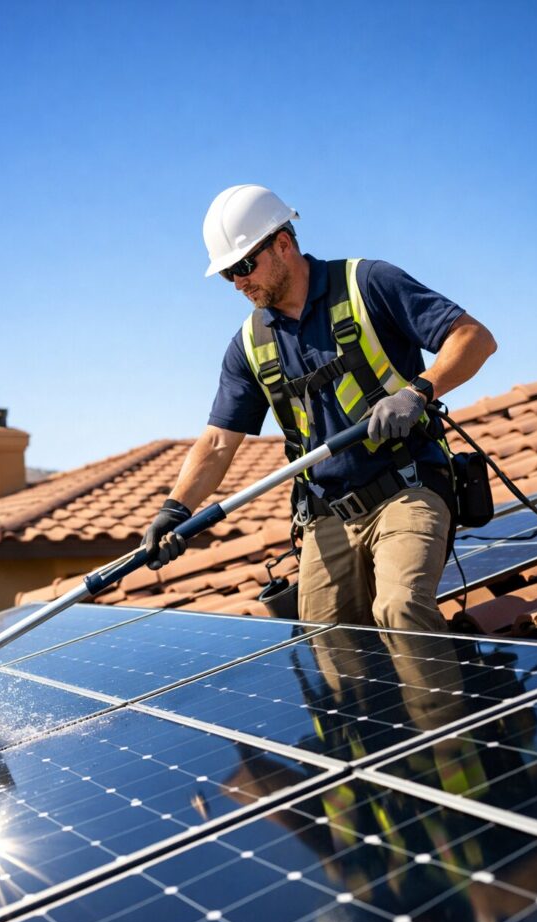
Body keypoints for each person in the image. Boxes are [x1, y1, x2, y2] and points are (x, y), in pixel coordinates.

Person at [143, 184, 497, 632]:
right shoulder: (249, 346)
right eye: (228, 274)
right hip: (326, 514)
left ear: (284, 245)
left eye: (244, 265)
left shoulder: (368, 283)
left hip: (407, 487)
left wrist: (416, 393)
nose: (238, 282)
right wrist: (175, 510)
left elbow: (474, 339)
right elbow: (217, 443)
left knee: (400, 609)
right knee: (330, 645)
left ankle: (443, 704)